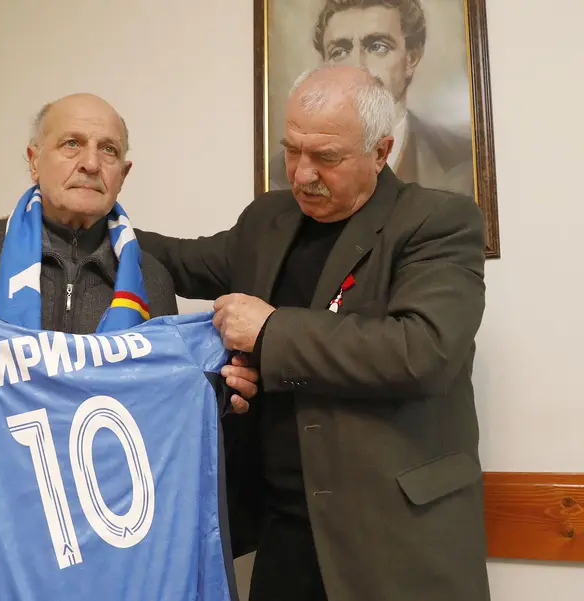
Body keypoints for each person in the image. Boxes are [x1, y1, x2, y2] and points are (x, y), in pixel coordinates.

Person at [0, 93, 258, 601]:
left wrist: (219, 393)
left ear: (124, 173)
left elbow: (157, 415)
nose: (90, 162)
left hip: (117, 567)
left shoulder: (151, 277)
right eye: (71, 144)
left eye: (108, 150)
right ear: (33, 159)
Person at [137, 65, 490, 601]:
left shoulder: (438, 220)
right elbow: (178, 261)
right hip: (285, 532)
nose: (302, 174)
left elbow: (423, 350)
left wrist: (270, 332)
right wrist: (84, 219)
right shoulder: (268, 219)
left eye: (326, 157)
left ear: (381, 152)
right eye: (292, 150)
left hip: (396, 537)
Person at [269, 0, 475, 198]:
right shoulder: (279, 176)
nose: (357, 66)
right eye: (339, 52)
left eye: (378, 47)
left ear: (412, 58)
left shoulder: (460, 161)